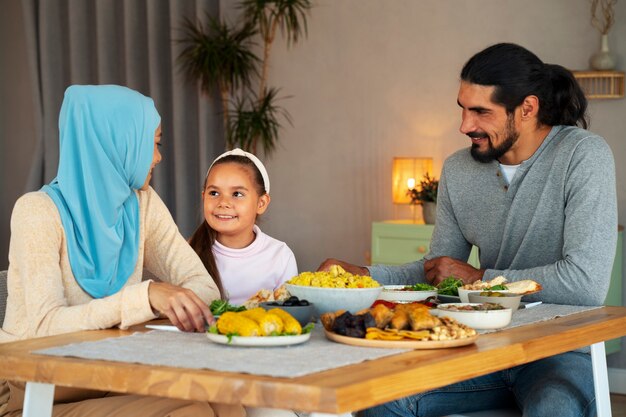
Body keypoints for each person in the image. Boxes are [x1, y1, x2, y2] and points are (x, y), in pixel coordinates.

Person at [320, 43, 617, 417]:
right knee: (378, 401)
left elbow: (584, 284)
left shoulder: (583, 155)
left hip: (557, 353)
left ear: (527, 108)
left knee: (553, 409)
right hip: (482, 349)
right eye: (462, 108)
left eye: (480, 111)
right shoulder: (459, 171)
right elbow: (438, 273)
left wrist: (480, 278)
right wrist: (365, 276)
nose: (465, 126)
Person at [0, 84, 244, 417]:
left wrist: (165, 301)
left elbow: (202, 288)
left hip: (112, 371)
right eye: (154, 144)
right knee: (193, 412)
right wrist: (145, 298)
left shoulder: (141, 205)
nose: (158, 157)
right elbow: (45, 327)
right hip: (35, 388)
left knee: (225, 401)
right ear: (114, 142)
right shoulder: (37, 211)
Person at [189, 148, 298, 306]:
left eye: (237, 194)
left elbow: (287, 317)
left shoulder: (280, 256)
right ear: (203, 196)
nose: (223, 203)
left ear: (261, 203)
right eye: (213, 193)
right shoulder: (187, 252)